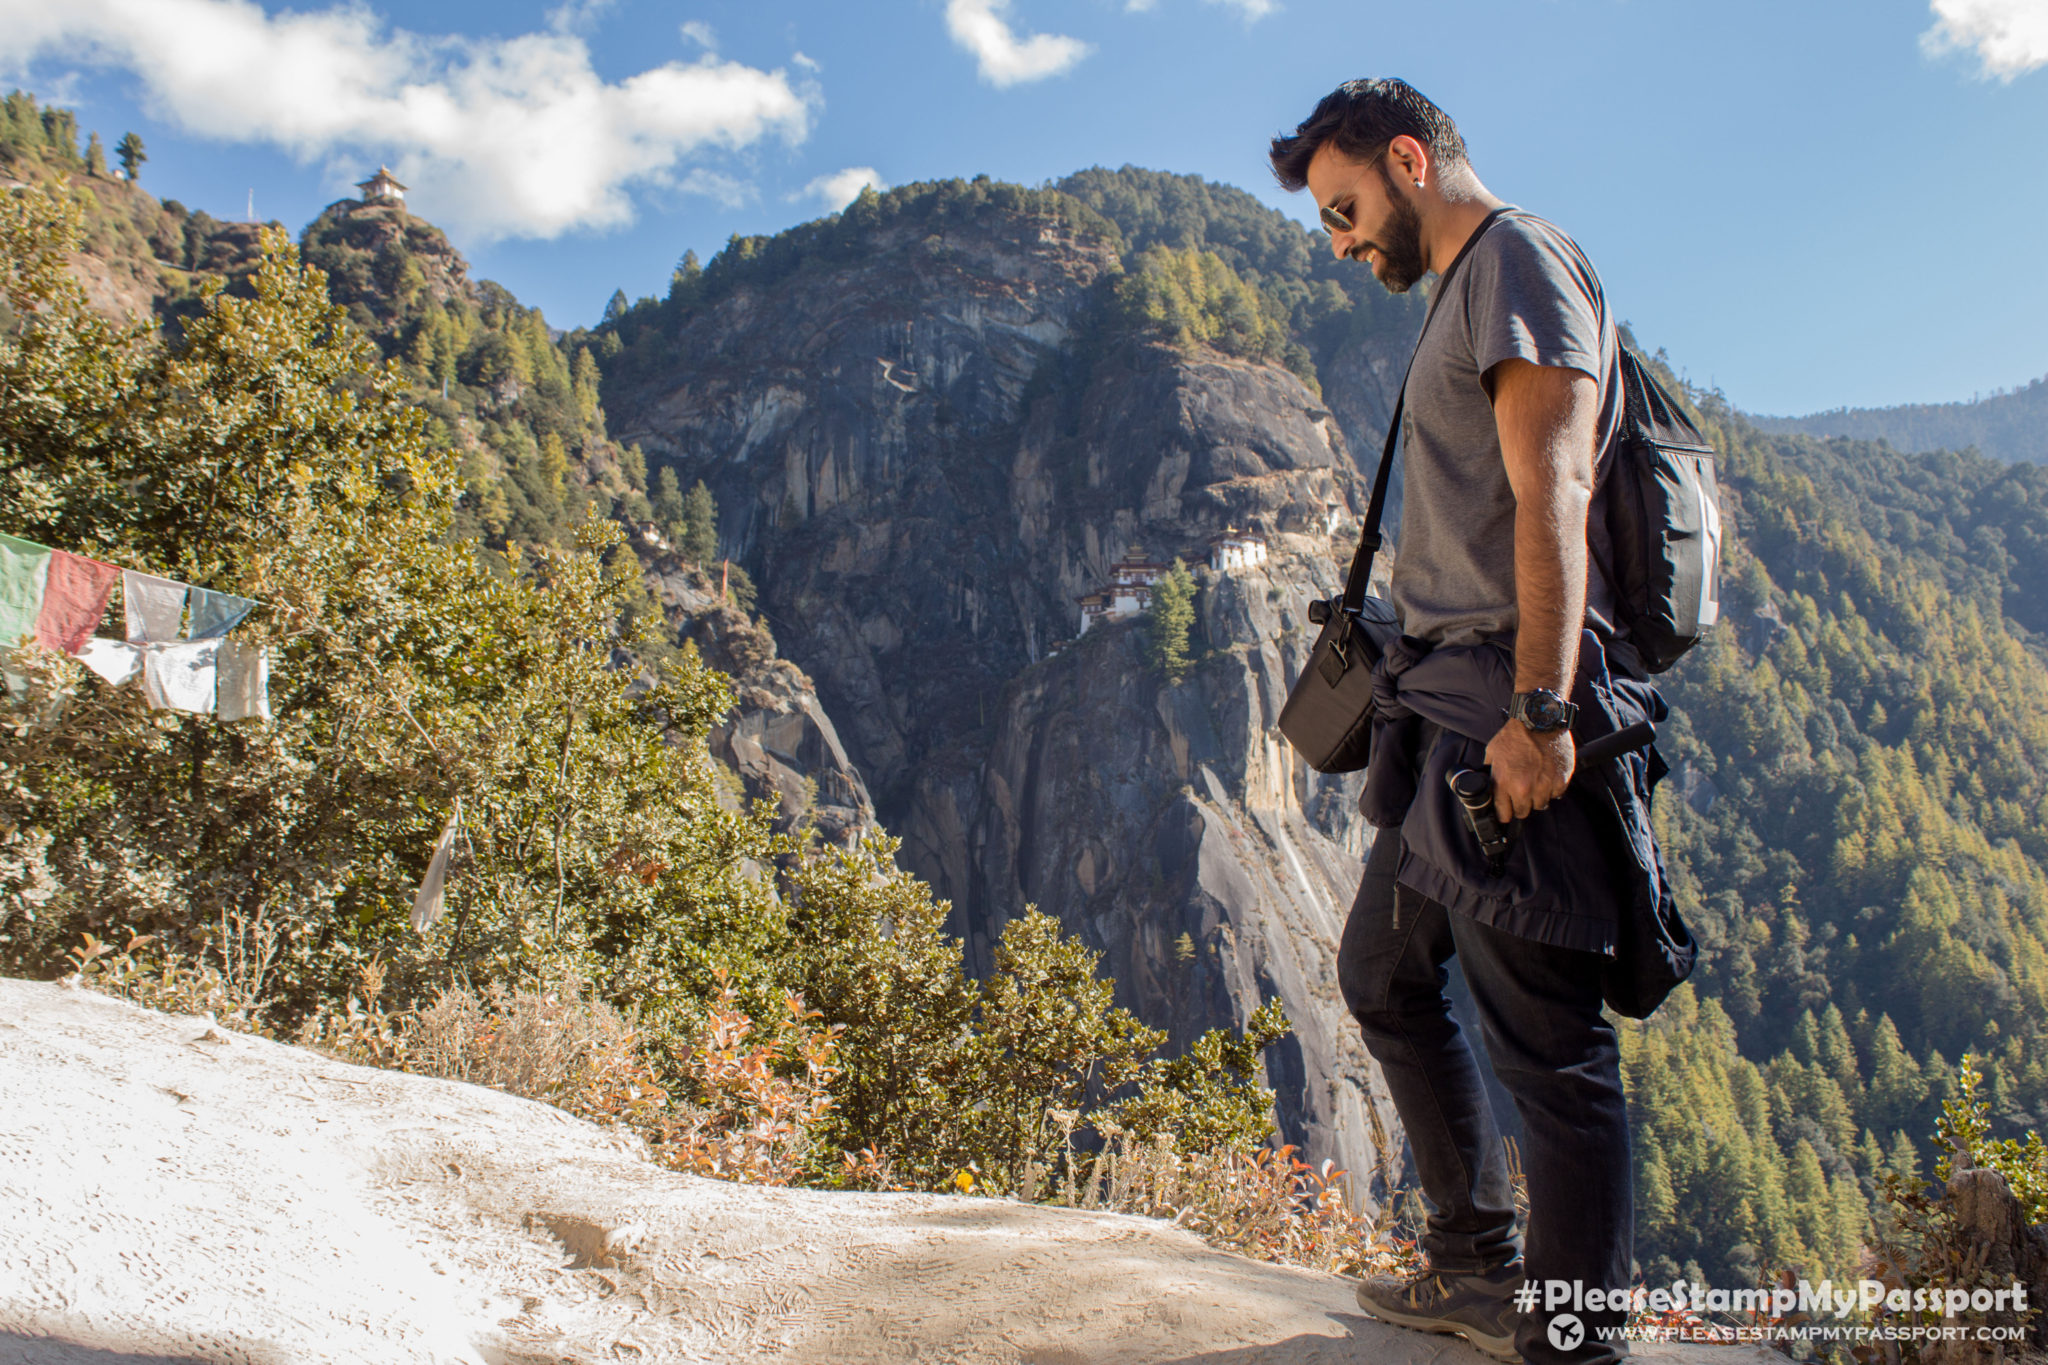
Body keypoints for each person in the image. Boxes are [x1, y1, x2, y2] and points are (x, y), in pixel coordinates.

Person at [1269, 79, 1634, 1364]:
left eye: (1346, 208)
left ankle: (1573, 1335)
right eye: (1326, 222)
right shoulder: (1459, 287)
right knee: (1378, 970)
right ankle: (1474, 1267)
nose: (1341, 240)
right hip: (1442, 712)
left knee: (1542, 1031)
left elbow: (1554, 484)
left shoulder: (1516, 263)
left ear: (1410, 161)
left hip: (1502, 712)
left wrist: (1540, 711)